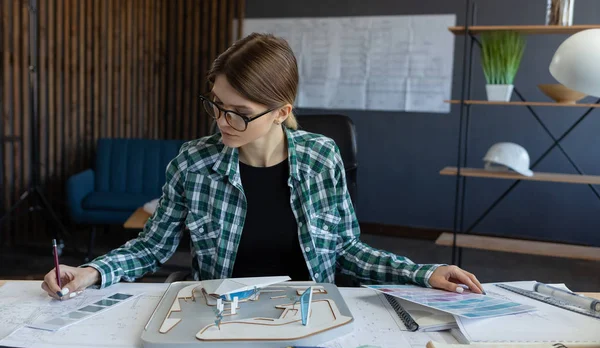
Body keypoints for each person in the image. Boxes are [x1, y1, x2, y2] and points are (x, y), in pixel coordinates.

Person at [42, 33, 483, 300]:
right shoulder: (193, 162)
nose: (221, 121)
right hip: (218, 316)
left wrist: (423, 272)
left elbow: (348, 250)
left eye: (238, 111)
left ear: (279, 111)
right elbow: (153, 248)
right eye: (215, 105)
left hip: (311, 314)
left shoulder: (320, 157)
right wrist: (93, 271)